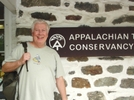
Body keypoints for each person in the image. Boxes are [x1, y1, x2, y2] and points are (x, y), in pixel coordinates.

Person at [2, 19, 67, 100]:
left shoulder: (53, 54)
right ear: (32, 33)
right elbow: (4, 68)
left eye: (43, 30)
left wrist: (65, 99)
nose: (40, 33)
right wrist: (19, 62)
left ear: (47, 34)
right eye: (37, 30)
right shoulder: (21, 48)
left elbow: (59, 79)